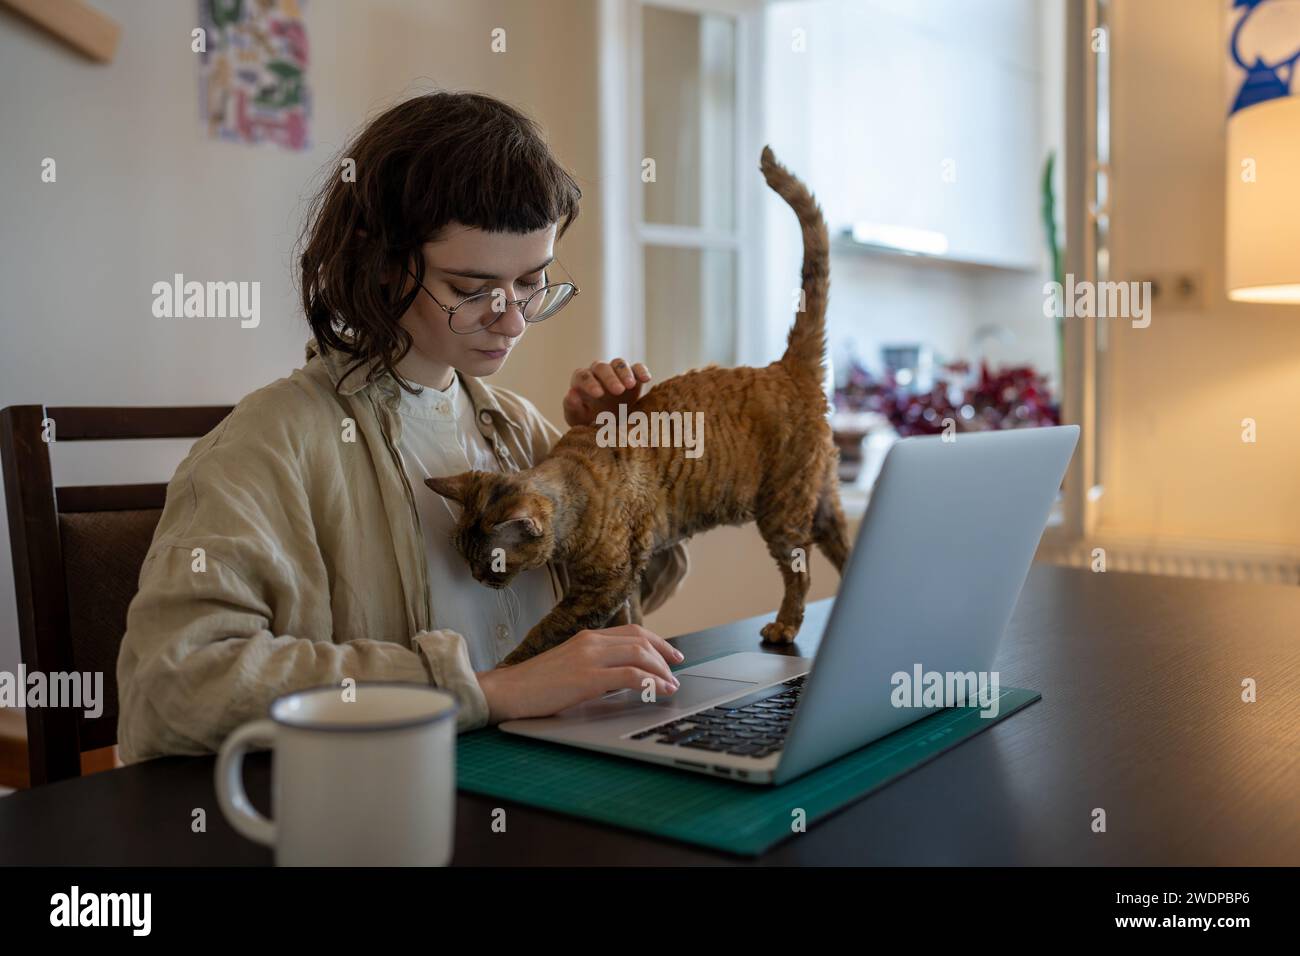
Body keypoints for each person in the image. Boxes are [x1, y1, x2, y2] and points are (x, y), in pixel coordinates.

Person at [116, 91, 689, 762]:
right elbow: (176, 686)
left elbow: (627, 594)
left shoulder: (521, 433)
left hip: (540, 780)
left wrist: (621, 471)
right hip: (378, 806)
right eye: (472, 290)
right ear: (383, 266)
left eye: (533, 282)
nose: (511, 322)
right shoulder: (267, 445)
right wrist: (487, 690)